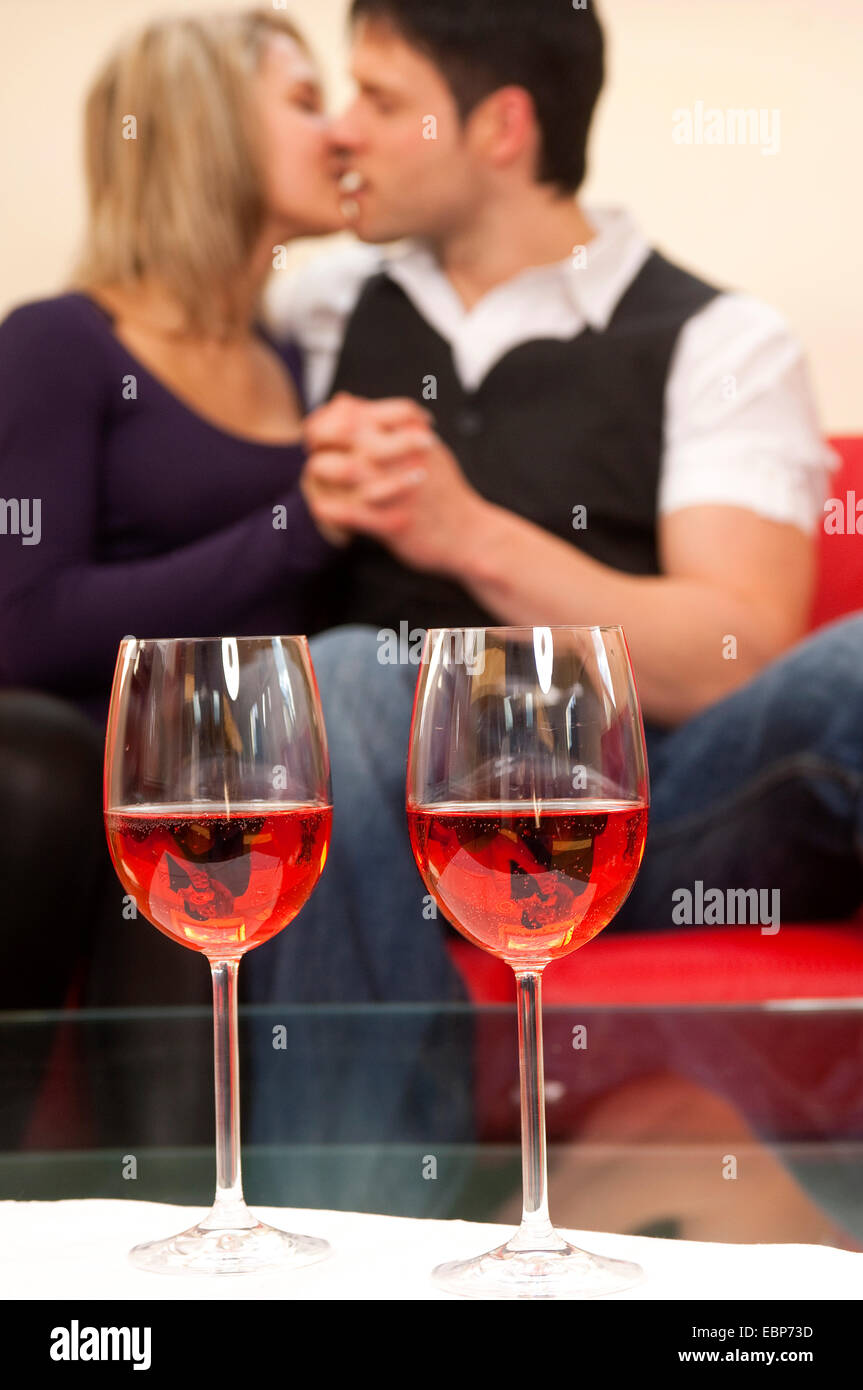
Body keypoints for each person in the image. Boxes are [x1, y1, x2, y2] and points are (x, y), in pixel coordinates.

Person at [244, 0, 863, 1018]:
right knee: (346, 670)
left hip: (634, 826)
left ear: (499, 128)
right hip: (385, 836)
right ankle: (363, 1182)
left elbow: (735, 650)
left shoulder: (718, 338)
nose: (343, 129)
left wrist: (465, 533)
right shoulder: (317, 309)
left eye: (380, 98)